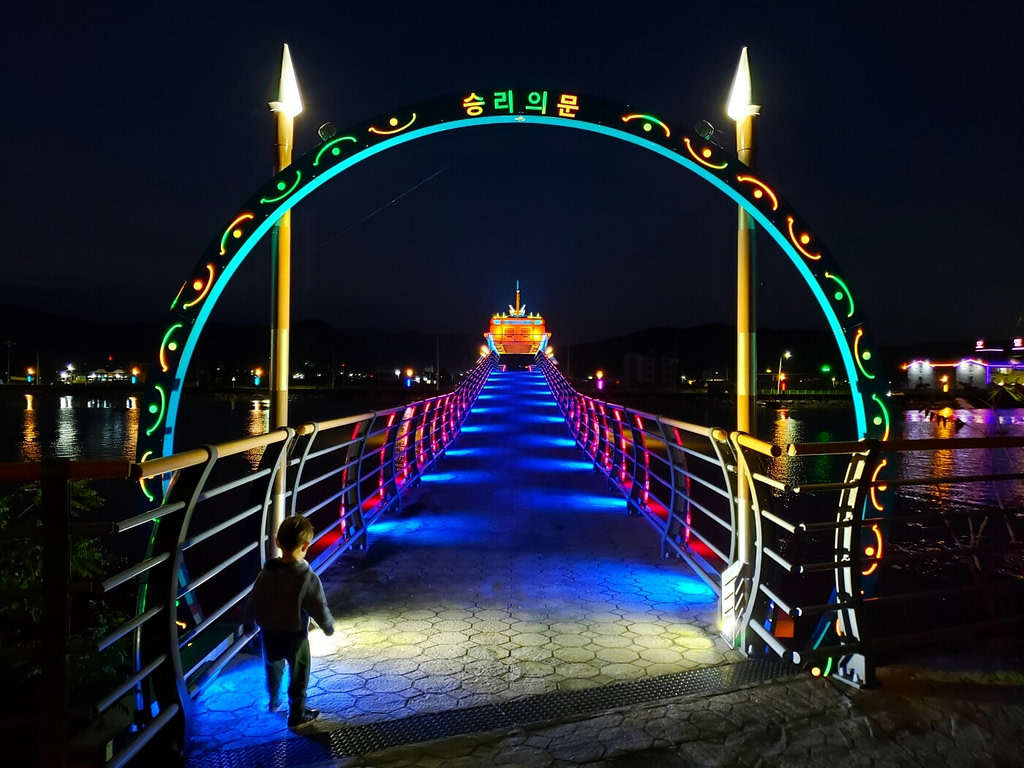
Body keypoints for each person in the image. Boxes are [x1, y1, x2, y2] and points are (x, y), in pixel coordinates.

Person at [243, 515, 335, 730]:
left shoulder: (266, 573)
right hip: (295, 637)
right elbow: (318, 605)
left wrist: (249, 623)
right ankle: (297, 713)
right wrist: (327, 625)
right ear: (306, 546)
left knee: (272, 668)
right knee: (298, 675)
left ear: (277, 543)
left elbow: (254, 599)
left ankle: (273, 701)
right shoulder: (306, 577)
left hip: (269, 633)